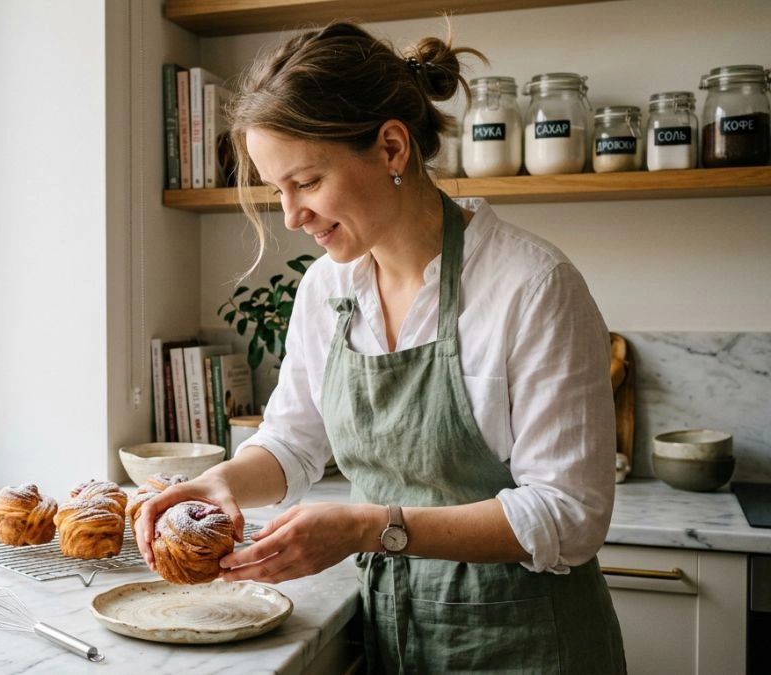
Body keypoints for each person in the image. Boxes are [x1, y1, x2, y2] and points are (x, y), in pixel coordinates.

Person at [136, 21, 626, 673]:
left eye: (306, 181)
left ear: (391, 147)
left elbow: (568, 516)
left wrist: (367, 526)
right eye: (277, 189)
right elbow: (294, 440)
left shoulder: (531, 287)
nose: (290, 215)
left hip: (530, 647)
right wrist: (219, 481)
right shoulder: (326, 289)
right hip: (398, 642)